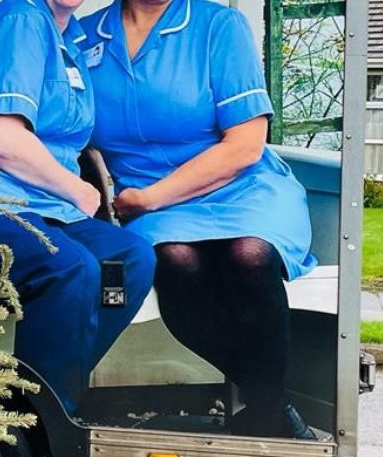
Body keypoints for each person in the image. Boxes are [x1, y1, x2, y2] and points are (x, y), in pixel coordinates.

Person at [79, 0, 318, 439]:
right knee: (176, 261)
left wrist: (149, 199)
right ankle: (272, 404)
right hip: (153, 202)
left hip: (242, 187)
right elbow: (68, 133)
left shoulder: (218, 25)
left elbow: (245, 145)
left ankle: (264, 405)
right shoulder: (83, 36)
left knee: (249, 255)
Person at [0, 0, 156, 415]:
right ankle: (36, 426)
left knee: (129, 258)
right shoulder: (19, 20)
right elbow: (3, 140)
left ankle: (38, 404)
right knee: (71, 267)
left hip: (45, 205)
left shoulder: (73, 39)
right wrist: (78, 189)